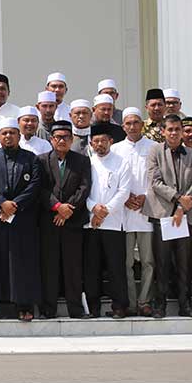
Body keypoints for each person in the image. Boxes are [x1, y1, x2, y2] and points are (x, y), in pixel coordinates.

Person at [0, 117, 42, 321]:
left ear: (19, 135)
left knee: (21, 263)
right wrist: (1, 203)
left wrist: (14, 205)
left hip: (22, 219)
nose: (8, 136)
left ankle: (23, 306)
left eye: (12, 133)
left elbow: (34, 185)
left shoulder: (31, 158)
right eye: (5, 133)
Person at [143, 114, 192, 318]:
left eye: (178, 129)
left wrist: (181, 207)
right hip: (163, 214)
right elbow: (155, 181)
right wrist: (178, 199)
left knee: (184, 263)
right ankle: (160, 305)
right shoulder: (155, 151)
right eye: (170, 129)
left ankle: (185, 305)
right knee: (162, 262)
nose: (174, 133)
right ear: (163, 131)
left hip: (185, 215)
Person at [37, 120, 90, 319]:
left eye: (66, 137)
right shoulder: (41, 160)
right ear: (51, 139)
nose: (61, 141)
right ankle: (48, 309)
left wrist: (68, 209)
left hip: (73, 221)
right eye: (58, 137)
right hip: (49, 221)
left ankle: (75, 309)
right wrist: (57, 207)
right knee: (49, 266)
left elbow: (84, 187)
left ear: (72, 139)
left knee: (73, 267)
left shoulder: (82, 161)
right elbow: (40, 189)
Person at [111, 107, 159, 317]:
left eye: (136, 122)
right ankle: (130, 302)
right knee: (126, 262)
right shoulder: (116, 149)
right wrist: (126, 197)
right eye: (128, 123)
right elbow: (113, 179)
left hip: (147, 209)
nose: (132, 127)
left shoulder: (154, 147)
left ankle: (144, 301)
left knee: (148, 261)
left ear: (142, 124)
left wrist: (145, 197)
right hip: (123, 212)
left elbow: (158, 177)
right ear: (123, 126)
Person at [84, 122, 131, 319]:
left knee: (115, 267)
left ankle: (120, 306)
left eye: (103, 141)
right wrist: (93, 208)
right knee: (91, 267)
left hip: (113, 222)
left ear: (110, 141)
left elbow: (124, 192)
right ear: (91, 143)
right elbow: (82, 190)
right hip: (90, 223)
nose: (99, 145)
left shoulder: (122, 162)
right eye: (96, 141)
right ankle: (93, 307)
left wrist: (104, 212)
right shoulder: (86, 163)